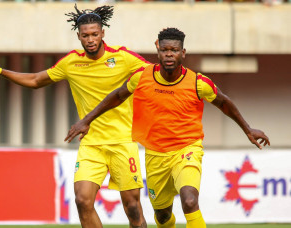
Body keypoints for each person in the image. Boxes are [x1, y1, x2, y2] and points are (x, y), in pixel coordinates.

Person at [65, 27, 270, 228]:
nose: (169, 54)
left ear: (183, 53)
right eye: (165, 50)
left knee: (189, 201)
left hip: (187, 149)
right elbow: (117, 96)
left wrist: (248, 129)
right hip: (156, 155)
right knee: (162, 216)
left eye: (174, 50)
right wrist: (87, 120)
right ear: (158, 51)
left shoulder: (198, 82)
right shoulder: (143, 76)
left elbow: (224, 103)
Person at [0, 5, 149, 228]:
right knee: (82, 200)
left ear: (103, 33)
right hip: (91, 145)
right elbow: (35, 80)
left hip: (123, 143)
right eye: (85, 35)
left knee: (133, 208)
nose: (90, 39)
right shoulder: (71, 62)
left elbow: (155, 76)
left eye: (94, 34)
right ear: (78, 36)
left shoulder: (123, 57)